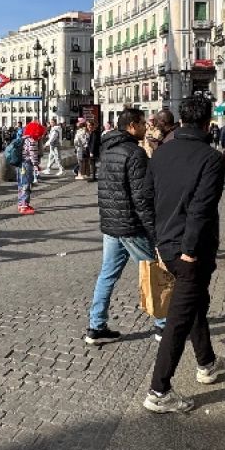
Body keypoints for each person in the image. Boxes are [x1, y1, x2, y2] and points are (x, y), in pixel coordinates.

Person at [143, 96, 225, 414]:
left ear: (181, 121)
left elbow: (146, 200)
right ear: (207, 122)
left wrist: (156, 240)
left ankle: (207, 362)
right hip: (190, 252)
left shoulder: (160, 153)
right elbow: (201, 209)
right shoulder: (212, 159)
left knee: (193, 306)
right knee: (178, 321)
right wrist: (191, 251)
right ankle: (159, 391)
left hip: (166, 247)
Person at [85, 107, 166, 345]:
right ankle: (163, 325)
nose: (145, 127)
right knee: (152, 272)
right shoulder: (134, 153)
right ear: (131, 125)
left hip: (111, 225)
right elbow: (141, 197)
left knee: (107, 275)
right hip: (131, 226)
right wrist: (154, 230)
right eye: (142, 123)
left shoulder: (107, 150)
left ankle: (96, 326)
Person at [18, 120, 44, 214]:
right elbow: (33, 155)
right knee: (27, 184)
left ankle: (21, 204)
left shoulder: (24, 138)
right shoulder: (32, 141)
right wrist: (36, 165)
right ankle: (24, 206)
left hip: (21, 164)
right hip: (27, 164)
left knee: (21, 185)